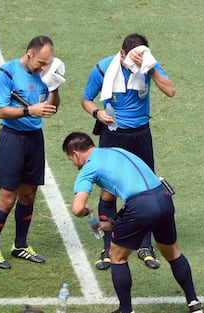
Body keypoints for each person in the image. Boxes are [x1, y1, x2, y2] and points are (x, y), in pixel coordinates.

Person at [62, 132, 203, 313]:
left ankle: (126, 310)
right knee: (173, 252)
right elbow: (137, 188)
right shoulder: (117, 151)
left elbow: (77, 208)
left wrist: (87, 211)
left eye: (71, 160)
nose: (74, 165)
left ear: (75, 153)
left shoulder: (89, 167)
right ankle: (194, 302)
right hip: (163, 197)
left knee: (116, 256)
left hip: (141, 205)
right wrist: (113, 221)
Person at [82, 33, 175, 270]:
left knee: (147, 188)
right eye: (132, 61)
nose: (136, 67)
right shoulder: (103, 68)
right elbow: (86, 99)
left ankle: (145, 246)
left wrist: (150, 69)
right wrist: (96, 113)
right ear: (122, 54)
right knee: (107, 193)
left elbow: (170, 90)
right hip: (113, 133)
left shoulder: (148, 65)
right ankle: (107, 247)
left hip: (141, 134)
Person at [0, 35, 66, 269]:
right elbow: (1, 111)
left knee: (29, 194)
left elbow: (51, 109)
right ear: (30, 53)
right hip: (12, 140)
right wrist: (30, 110)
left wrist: (55, 89)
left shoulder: (46, 75)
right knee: (7, 198)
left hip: (34, 139)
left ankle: (20, 245)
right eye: (41, 62)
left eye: (47, 63)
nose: (44, 67)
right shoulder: (6, 74)